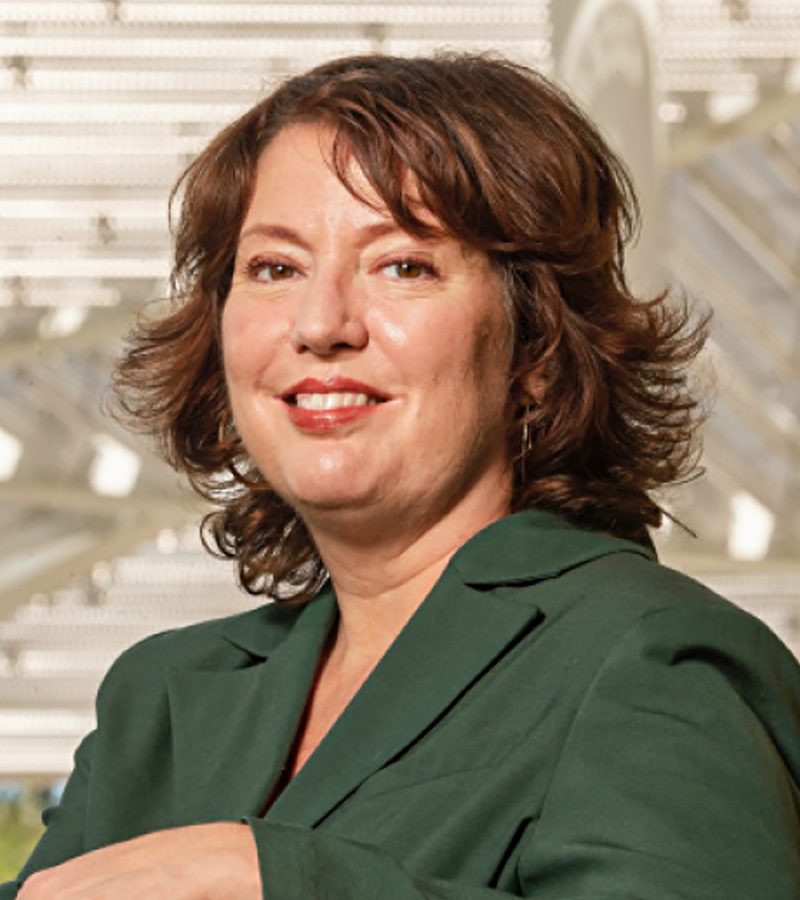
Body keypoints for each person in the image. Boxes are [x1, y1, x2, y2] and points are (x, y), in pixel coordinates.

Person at [4, 53, 800, 900]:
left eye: (403, 265)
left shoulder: (650, 657)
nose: (320, 324)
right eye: (275, 268)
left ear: (535, 345)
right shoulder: (158, 702)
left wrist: (276, 882)